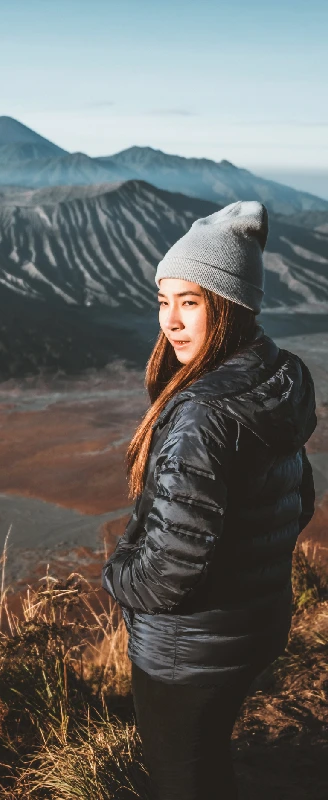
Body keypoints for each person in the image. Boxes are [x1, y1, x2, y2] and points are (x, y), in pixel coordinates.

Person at [102, 200, 316, 800]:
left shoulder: (203, 413)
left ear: (229, 307)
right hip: (256, 624)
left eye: (190, 302)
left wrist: (117, 576)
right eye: (164, 301)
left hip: (188, 651)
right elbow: (298, 502)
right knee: (206, 760)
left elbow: (169, 570)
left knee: (180, 779)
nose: (170, 321)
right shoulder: (275, 379)